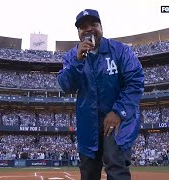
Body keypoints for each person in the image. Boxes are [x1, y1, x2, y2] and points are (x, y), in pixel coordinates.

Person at [57, 9, 144, 180]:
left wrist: (118, 111)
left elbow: (135, 81)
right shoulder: (71, 56)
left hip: (118, 119)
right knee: (88, 171)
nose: (89, 29)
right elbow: (66, 85)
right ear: (78, 33)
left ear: (101, 27)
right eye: (83, 27)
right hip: (88, 123)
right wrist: (77, 60)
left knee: (115, 164)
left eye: (93, 25)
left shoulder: (120, 51)